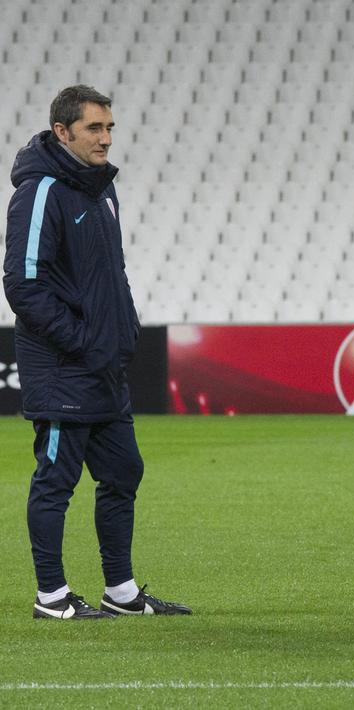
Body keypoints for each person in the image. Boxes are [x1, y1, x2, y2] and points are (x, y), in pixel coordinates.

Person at [3, 85, 190, 619]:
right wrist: (84, 341)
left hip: (103, 366)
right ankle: (51, 597)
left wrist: (123, 331)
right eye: (94, 128)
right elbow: (23, 284)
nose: (106, 138)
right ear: (62, 132)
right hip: (63, 368)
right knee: (56, 481)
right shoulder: (40, 191)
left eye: (109, 128)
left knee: (124, 471)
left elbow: (115, 273)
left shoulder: (103, 191)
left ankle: (121, 592)